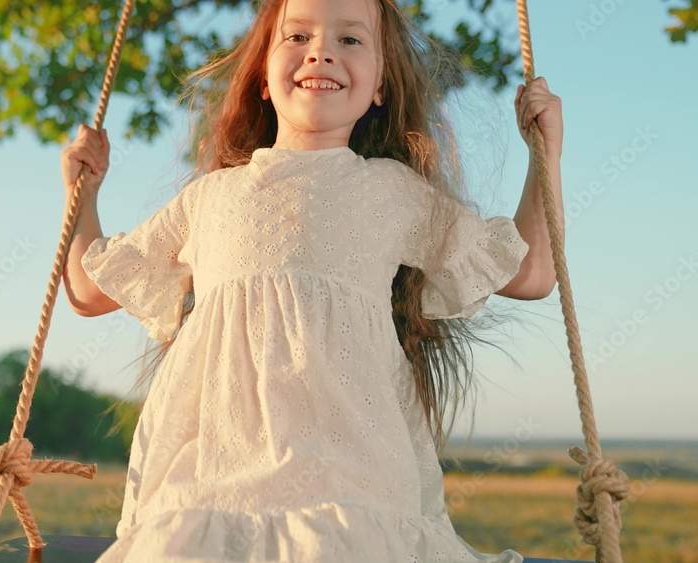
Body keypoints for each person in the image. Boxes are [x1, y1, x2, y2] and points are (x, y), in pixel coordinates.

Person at [60, 0, 563, 559]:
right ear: (264, 81)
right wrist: (82, 192)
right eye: (297, 36)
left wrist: (546, 155)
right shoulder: (211, 197)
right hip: (211, 477)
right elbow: (87, 292)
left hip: (352, 478)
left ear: (379, 87)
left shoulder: (392, 193)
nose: (321, 50)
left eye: (350, 40)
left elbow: (532, 274)